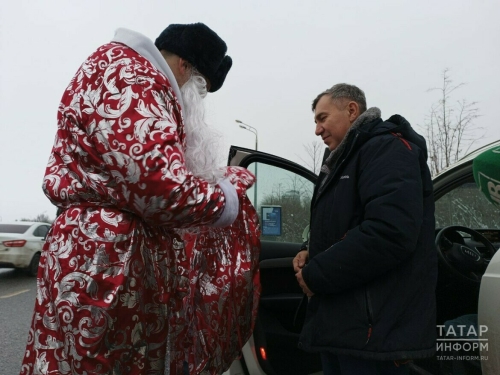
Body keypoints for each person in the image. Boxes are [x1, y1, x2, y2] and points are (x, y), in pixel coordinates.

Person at [20, 23, 259, 375]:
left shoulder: (117, 70)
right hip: (110, 257)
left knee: (70, 361)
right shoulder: (136, 78)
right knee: (105, 363)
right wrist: (224, 198)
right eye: (202, 89)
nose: (199, 102)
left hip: (93, 248)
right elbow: (160, 186)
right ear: (185, 68)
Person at [293, 83, 437, 375]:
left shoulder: (387, 149)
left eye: (322, 118)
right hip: (343, 328)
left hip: (375, 334)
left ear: (351, 110)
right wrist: (310, 250)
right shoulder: (342, 160)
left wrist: (316, 275)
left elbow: (389, 232)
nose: (317, 130)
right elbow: (345, 224)